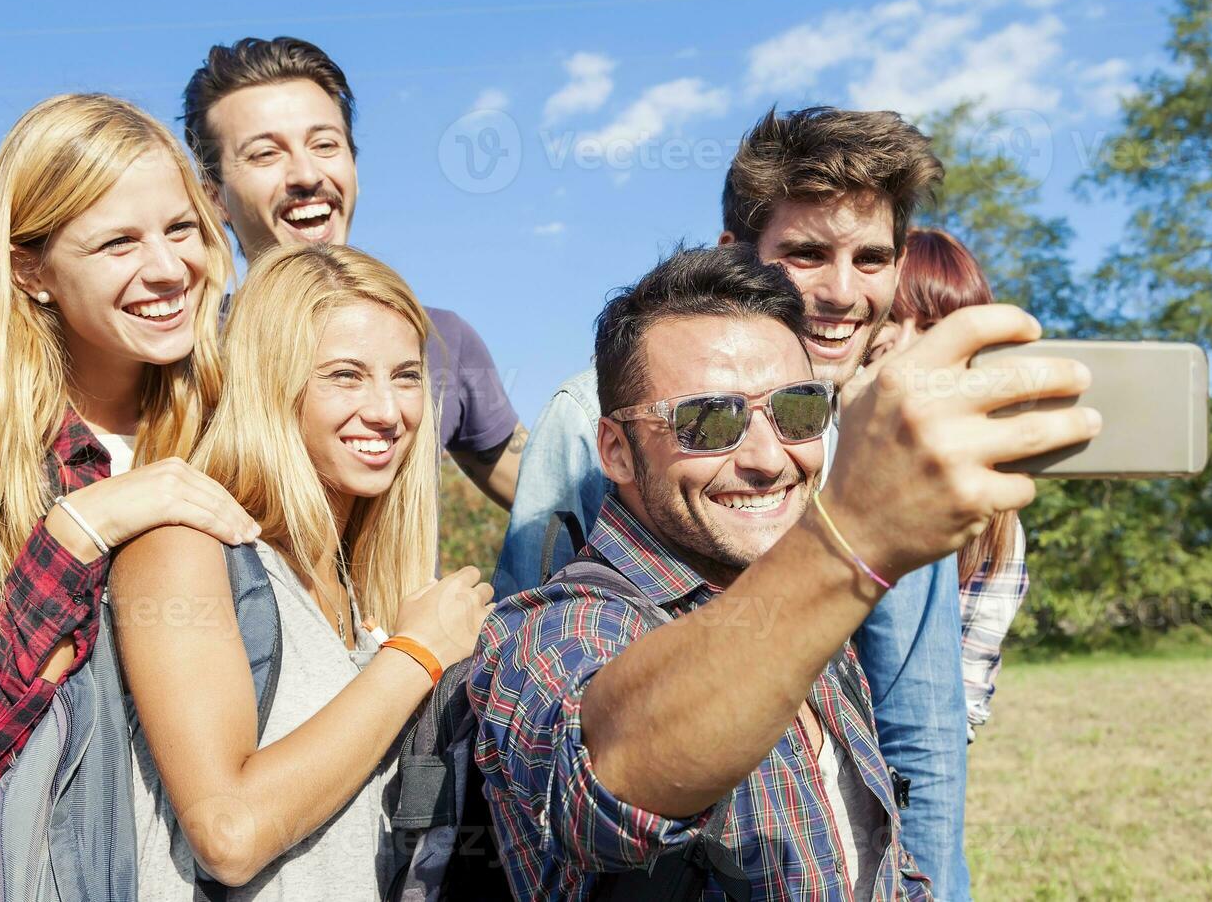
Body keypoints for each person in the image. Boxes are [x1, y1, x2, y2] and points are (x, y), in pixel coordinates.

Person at [469, 245, 1099, 900]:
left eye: (798, 410)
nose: (770, 459)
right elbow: (604, 773)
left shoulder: (803, 616)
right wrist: (850, 535)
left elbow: (873, 857)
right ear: (615, 452)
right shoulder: (543, 631)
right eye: (710, 420)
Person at [493, 106, 974, 896]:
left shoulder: (886, 434)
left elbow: (916, 731)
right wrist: (850, 540)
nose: (841, 291)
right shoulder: (588, 423)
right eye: (706, 420)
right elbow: (552, 729)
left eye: (872, 257)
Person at [0, 94, 257, 901]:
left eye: (181, 228)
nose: (167, 268)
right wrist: (83, 527)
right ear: (31, 270)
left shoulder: (244, 417)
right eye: (118, 241)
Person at [111, 243, 495, 897]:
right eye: (345, 375)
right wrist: (415, 656)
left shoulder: (360, 599)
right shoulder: (183, 551)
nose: (387, 410)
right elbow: (229, 833)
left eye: (405, 376)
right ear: (271, 383)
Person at [180, 36, 527, 507]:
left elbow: (553, 499)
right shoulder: (183, 353)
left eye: (325, 144)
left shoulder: (442, 339)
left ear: (354, 166)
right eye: (265, 154)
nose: (305, 174)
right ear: (214, 197)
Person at [869, 229, 1029, 742]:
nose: (910, 347)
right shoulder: (793, 452)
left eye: (936, 327)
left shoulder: (995, 517)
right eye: (890, 318)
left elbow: (963, 700)